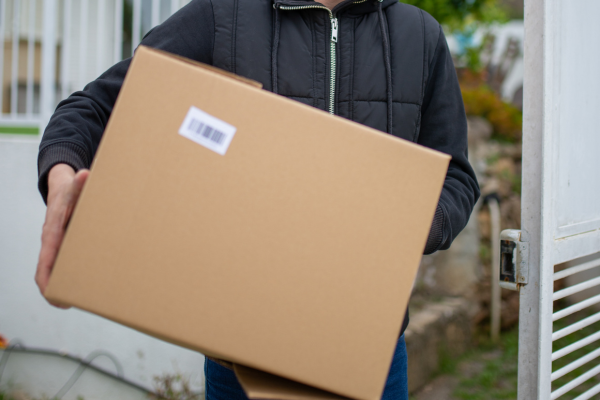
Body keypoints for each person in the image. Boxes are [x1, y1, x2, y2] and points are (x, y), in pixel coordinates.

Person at [34, 0, 480, 398]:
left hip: (370, 357)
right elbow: (93, 108)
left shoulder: (419, 36)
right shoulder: (222, 16)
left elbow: (456, 177)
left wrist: (417, 224)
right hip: (240, 361)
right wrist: (61, 170)